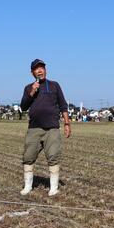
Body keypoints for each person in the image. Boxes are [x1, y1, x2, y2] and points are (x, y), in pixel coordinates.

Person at [19, 59, 71, 197]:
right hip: (34, 128)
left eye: (42, 67)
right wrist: (31, 92)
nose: (40, 70)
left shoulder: (54, 86)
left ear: (45, 70)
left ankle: (53, 188)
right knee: (28, 156)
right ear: (32, 73)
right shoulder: (28, 87)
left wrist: (67, 123)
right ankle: (28, 186)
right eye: (36, 69)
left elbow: (63, 105)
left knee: (53, 156)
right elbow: (23, 106)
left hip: (52, 128)